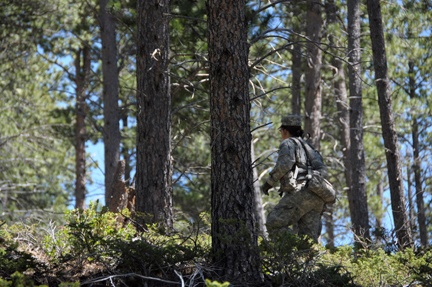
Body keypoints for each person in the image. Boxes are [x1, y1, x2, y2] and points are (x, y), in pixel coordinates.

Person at [261, 115, 327, 242]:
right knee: (308, 239)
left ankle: (290, 249)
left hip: (300, 192)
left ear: (285, 130)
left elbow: (285, 164)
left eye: (281, 131)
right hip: (317, 195)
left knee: (274, 223)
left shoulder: (288, 143)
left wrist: (269, 183)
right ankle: (304, 257)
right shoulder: (309, 147)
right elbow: (322, 170)